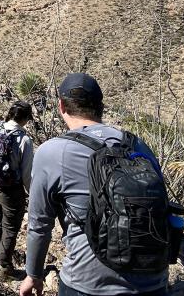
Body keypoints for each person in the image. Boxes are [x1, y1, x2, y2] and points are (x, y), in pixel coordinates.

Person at [19, 73, 170, 296]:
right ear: (101, 106)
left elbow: (39, 224)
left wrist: (34, 274)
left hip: (88, 284)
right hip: (153, 281)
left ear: (61, 105)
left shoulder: (52, 152)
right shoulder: (137, 143)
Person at [0, 100, 34, 281]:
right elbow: (27, 173)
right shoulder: (23, 139)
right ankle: (5, 268)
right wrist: (32, 193)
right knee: (10, 228)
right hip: (10, 190)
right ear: (26, 118)